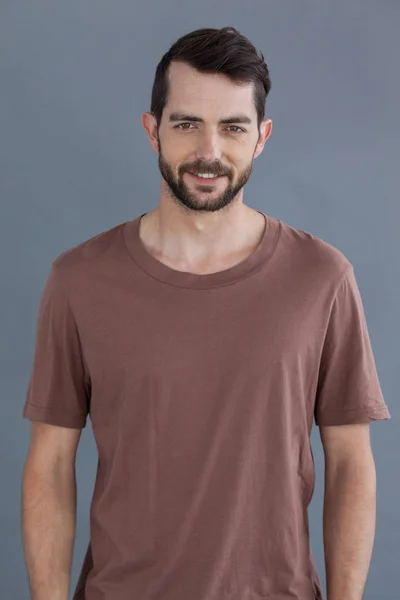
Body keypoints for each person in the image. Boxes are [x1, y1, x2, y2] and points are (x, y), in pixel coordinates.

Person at [21, 26, 391, 600]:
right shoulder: (80, 280)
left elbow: (350, 464)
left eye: (233, 128)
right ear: (153, 131)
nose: (209, 152)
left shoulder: (323, 278)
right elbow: (49, 463)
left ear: (262, 137)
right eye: (187, 123)